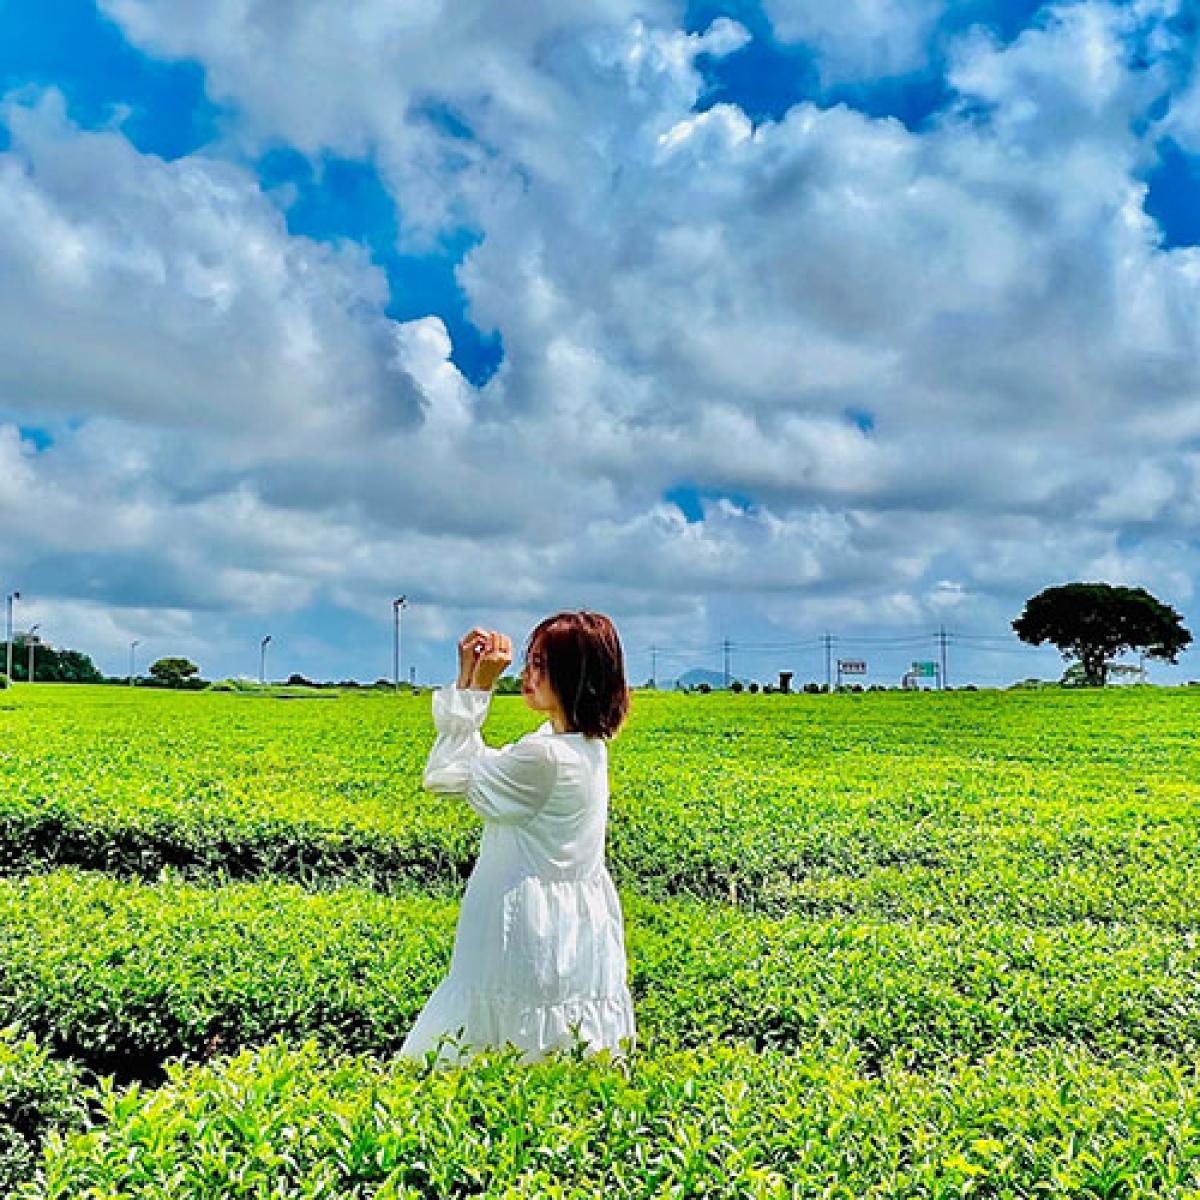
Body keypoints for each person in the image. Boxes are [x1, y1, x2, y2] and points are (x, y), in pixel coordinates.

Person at [399, 610, 637, 1068]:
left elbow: (445, 776)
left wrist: (478, 687)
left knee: (494, 1041)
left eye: (541, 665)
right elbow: (480, 765)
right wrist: (469, 679)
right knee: (559, 1045)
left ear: (574, 674)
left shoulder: (545, 756)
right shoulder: (581, 745)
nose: (527, 674)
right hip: (576, 922)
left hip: (526, 922)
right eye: (531, 661)